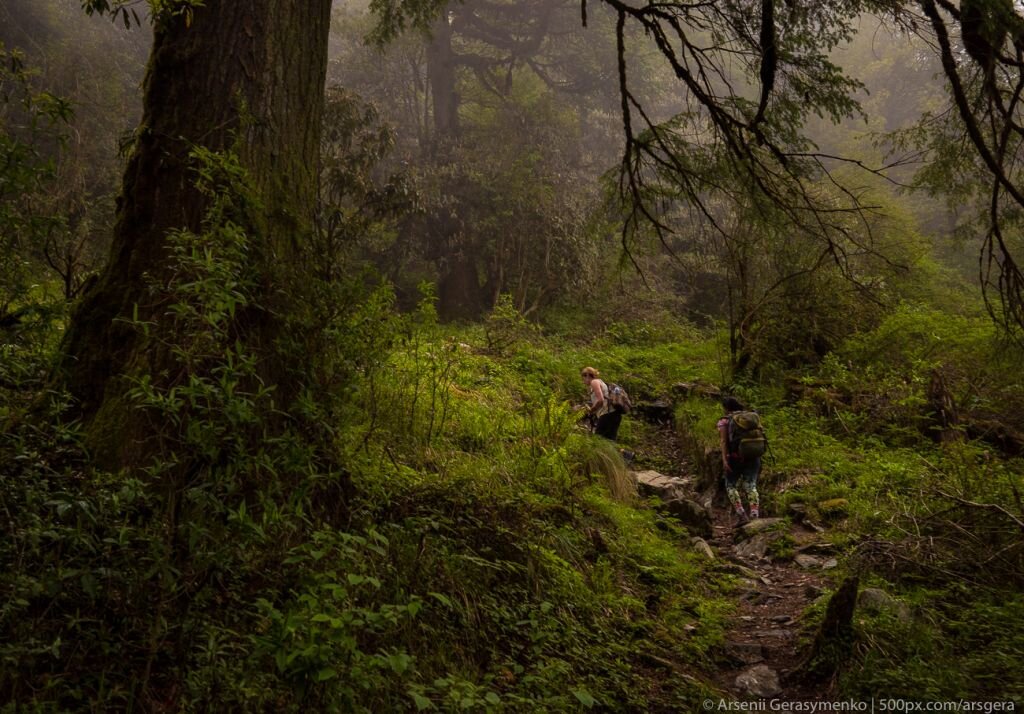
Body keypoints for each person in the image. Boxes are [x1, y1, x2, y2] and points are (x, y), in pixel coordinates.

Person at [718, 396, 761, 526]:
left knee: (730, 485)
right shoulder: (751, 418)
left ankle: (741, 514)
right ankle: (754, 514)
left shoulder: (724, 421)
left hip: (735, 458)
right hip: (753, 456)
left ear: (726, 408)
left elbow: (724, 441)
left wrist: (725, 460)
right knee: (751, 485)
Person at [581, 366, 623, 441]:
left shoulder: (594, 382)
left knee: (598, 440)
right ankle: (627, 453)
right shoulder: (599, 382)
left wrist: (591, 410)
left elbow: (600, 400)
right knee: (609, 441)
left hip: (607, 415)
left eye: (583, 378)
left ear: (587, 375)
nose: (583, 381)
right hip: (614, 414)